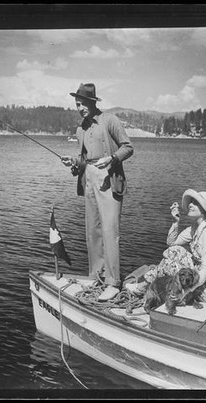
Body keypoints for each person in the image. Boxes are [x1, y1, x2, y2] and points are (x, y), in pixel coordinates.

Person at [61, 83, 134, 301]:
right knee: (92, 230)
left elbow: (128, 147)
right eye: (77, 104)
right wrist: (73, 161)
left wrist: (111, 159)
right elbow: (84, 159)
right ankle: (97, 276)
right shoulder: (80, 128)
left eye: (83, 104)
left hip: (108, 179)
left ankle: (113, 282)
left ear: (93, 103)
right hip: (89, 179)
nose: (80, 108)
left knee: (110, 231)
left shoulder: (109, 120)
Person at [125, 189, 206, 303]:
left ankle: (143, 287)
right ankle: (148, 286)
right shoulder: (195, 228)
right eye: (191, 201)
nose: (190, 204)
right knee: (174, 251)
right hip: (202, 280)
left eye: (196, 203)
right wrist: (175, 221)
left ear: (204, 210)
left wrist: (185, 292)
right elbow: (171, 243)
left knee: (169, 264)